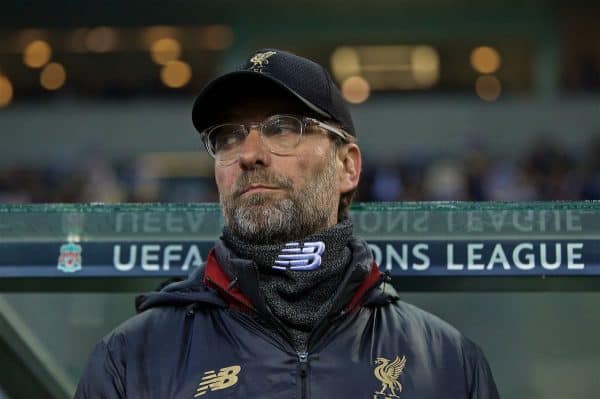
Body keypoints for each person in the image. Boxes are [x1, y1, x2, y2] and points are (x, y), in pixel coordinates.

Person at [75, 49, 499, 399]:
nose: (249, 153)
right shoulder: (131, 359)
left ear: (347, 166)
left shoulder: (447, 363)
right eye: (229, 136)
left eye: (282, 128)